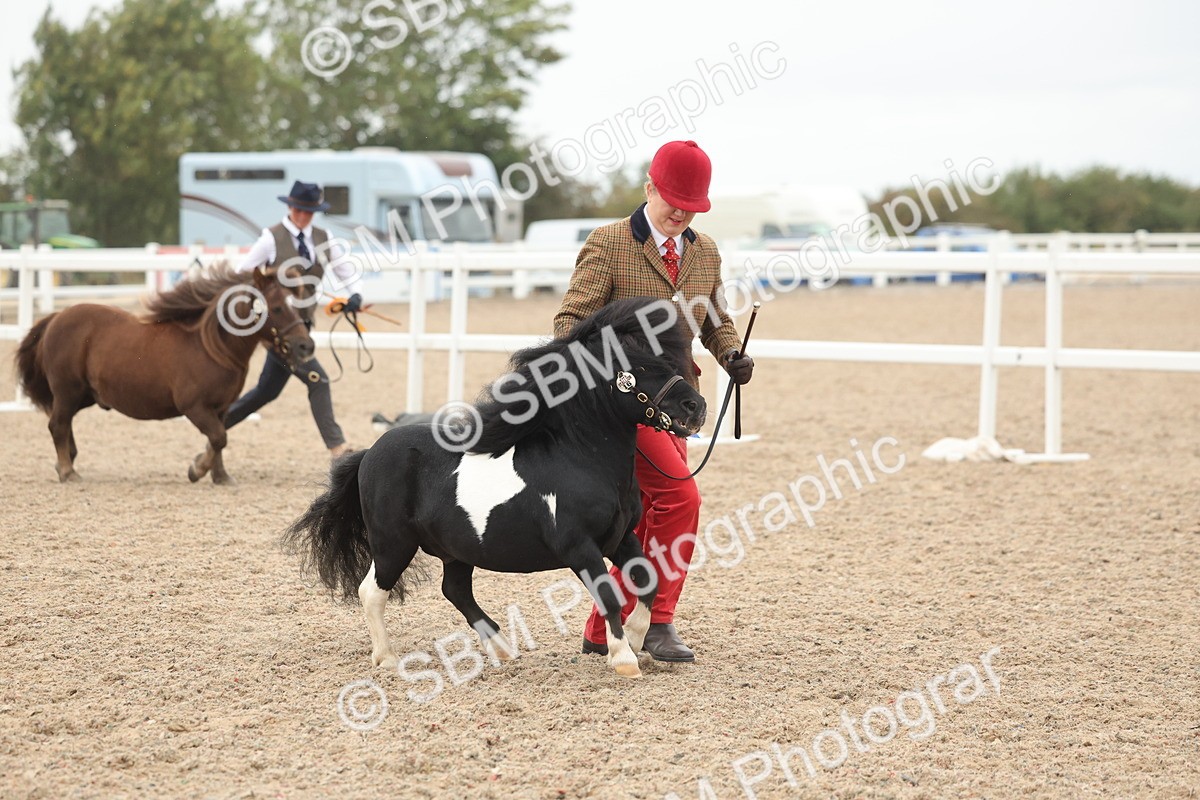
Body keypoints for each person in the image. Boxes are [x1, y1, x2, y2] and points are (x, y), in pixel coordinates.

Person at [552, 140, 754, 663]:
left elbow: (715, 320)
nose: (680, 213)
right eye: (672, 202)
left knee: (645, 514)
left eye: (692, 206)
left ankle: (603, 628)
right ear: (649, 189)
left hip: (677, 405)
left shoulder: (704, 251)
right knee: (681, 500)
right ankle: (657, 620)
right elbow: (569, 322)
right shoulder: (610, 243)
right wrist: (616, 358)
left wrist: (732, 354)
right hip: (624, 404)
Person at [225, 180, 364, 459]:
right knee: (318, 379)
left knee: (267, 391)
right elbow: (242, 273)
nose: (303, 216)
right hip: (279, 330)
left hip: (303, 325)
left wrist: (356, 294)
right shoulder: (270, 239)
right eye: (299, 210)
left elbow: (344, 269)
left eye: (309, 212)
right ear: (289, 207)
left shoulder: (324, 238)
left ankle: (217, 424)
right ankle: (338, 448)